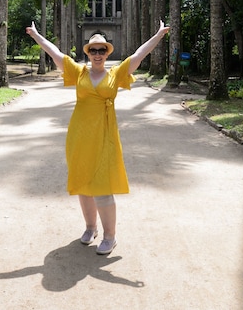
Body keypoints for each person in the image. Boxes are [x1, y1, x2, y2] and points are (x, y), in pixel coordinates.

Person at [25, 20, 170, 255]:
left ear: (107, 52)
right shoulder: (78, 71)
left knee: (102, 187)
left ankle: (110, 236)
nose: (98, 54)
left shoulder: (116, 74)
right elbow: (54, 52)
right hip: (79, 135)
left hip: (104, 135)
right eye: (93, 50)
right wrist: (37, 36)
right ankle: (90, 228)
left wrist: (159, 35)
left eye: (102, 50)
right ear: (88, 53)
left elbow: (139, 54)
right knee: (83, 184)